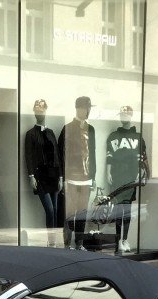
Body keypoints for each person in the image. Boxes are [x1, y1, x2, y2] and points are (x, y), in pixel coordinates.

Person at [104, 106, 149, 253]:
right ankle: (118, 240)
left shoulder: (138, 137)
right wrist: (108, 172)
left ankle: (125, 238)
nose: (123, 117)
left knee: (127, 209)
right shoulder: (113, 136)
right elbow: (109, 155)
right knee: (118, 209)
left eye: (126, 114)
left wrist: (139, 172)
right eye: (122, 114)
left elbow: (141, 158)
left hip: (130, 175)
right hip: (117, 174)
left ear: (131, 116)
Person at [59, 96, 96, 248]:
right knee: (70, 213)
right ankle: (67, 244)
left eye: (89, 108)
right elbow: (61, 154)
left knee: (82, 214)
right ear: (79, 108)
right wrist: (62, 177)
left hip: (86, 178)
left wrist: (93, 176)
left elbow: (93, 153)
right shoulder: (67, 128)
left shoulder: (91, 129)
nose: (89, 111)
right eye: (87, 108)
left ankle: (79, 244)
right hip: (72, 178)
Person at [24, 99, 61, 239]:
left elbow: (57, 156)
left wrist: (61, 177)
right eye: (37, 111)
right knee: (50, 210)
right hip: (40, 177)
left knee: (55, 210)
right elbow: (29, 156)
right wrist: (31, 176)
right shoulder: (31, 134)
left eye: (42, 111)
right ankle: (51, 241)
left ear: (46, 111)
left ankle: (53, 241)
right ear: (34, 112)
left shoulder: (50, 133)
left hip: (53, 175)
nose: (40, 113)